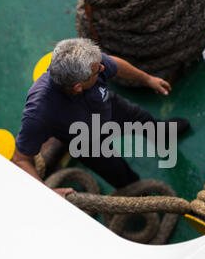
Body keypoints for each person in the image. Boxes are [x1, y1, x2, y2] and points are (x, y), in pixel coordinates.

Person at [13, 38, 190, 197]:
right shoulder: (38, 113)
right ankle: (139, 193)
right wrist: (48, 192)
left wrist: (147, 79)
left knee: (143, 120)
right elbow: (21, 159)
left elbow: (115, 64)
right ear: (78, 87)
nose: (103, 67)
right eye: (98, 71)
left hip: (109, 109)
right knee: (121, 176)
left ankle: (162, 134)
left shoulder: (89, 62)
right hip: (86, 142)